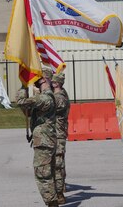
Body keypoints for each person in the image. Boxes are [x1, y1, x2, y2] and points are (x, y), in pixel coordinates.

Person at [16, 69, 58, 207]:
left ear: (43, 80)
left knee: (42, 174)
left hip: (44, 142)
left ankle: (52, 203)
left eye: (37, 81)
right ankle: (52, 201)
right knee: (47, 173)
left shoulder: (45, 98)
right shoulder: (45, 97)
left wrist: (23, 85)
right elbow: (28, 113)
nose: (35, 84)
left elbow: (21, 101)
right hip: (46, 141)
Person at [52, 72, 70, 205]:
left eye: (52, 82)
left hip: (58, 134)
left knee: (58, 164)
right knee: (58, 163)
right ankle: (59, 189)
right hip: (57, 134)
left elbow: (50, 107)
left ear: (56, 83)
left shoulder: (59, 97)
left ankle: (59, 194)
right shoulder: (62, 93)